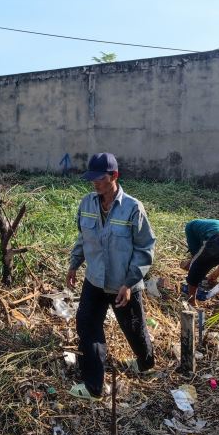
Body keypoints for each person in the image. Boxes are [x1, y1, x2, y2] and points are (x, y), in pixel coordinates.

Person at [66, 152, 156, 400]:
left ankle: (146, 364)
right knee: (87, 327)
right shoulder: (87, 204)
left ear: (114, 176)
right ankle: (94, 387)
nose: (95, 183)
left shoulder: (132, 208)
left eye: (100, 178)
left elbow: (145, 248)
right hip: (94, 280)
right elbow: (83, 237)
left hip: (123, 285)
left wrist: (129, 283)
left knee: (134, 329)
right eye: (91, 178)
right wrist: (74, 264)